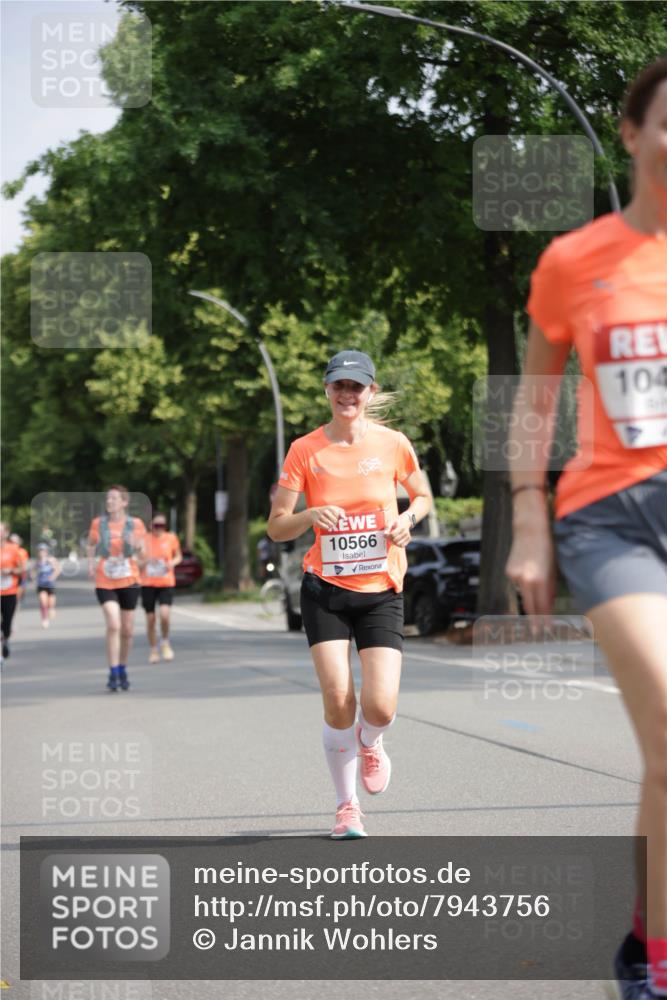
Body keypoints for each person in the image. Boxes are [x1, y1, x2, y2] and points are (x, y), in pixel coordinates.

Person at [506, 58, 667, 1000]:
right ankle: (655, 963)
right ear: (633, 132)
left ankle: (644, 927)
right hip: (609, 518)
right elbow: (530, 403)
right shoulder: (575, 260)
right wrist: (528, 513)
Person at [267, 350, 431, 839]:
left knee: (378, 706)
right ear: (327, 391)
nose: (346, 394)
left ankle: (370, 741)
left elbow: (421, 496)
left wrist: (407, 519)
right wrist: (308, 518)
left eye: (356, 386)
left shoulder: (394, 444)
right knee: (339, 696)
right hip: (326, 590)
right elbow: (277, 527)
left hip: (381, 588)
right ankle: (346, 808)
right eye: (338, 385)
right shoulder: (304, 450)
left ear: (371, 392)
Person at [87, 485, 146, 692]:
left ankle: (122, 667)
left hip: (129, 578)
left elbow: (143, 552)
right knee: (114, 624)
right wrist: (91, 563)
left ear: (124, 502)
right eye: (108, 498)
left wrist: (137, 545)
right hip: (105, 579)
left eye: (114, 498)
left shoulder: (135, 524)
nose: (109, 501)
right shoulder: (98, 523)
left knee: (127, 631)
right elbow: (92, 544)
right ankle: (112, 671)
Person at [139, 513, 182, 663]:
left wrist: (172, 563)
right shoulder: (144, 539)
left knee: (164, 614)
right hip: (148, 583)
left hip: (166, 582)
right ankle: (153, 650)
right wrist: (146, 562)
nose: (159, 529)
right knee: (150, 619)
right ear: (151, 525)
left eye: (162, 526)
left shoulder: (171, 538)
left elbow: (178, 556)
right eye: (156, 526)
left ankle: (165, 641)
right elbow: (136, 563)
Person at [0, 522, 26, 661]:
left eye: (1, 531)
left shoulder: (14, 549)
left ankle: (6, 639)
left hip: (10, 591)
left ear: (6, 533)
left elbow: (22, 569)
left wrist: (10, 571)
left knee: (7, 621)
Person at [33, 543, 61, 628]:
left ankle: (51, 609)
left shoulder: (51, 560)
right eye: (40, 551)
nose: (41, 552)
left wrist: (53, 576)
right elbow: (33, 571)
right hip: (41, 584)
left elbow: (58, 569)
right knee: (43, 601)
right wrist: (33, 578)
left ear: (46, 551)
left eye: (43, 550)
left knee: (50, 603)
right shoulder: (37, 561)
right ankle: (44, 619)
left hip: (50, 584)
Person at [10, 533, 29, 606]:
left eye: (15, 542)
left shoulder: (22, 552)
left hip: (21, 575)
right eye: (11, 542)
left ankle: (17, 602)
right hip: (9, 576)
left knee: (19, 592)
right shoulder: (5, 551)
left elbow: (25, 564)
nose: (13, 544)